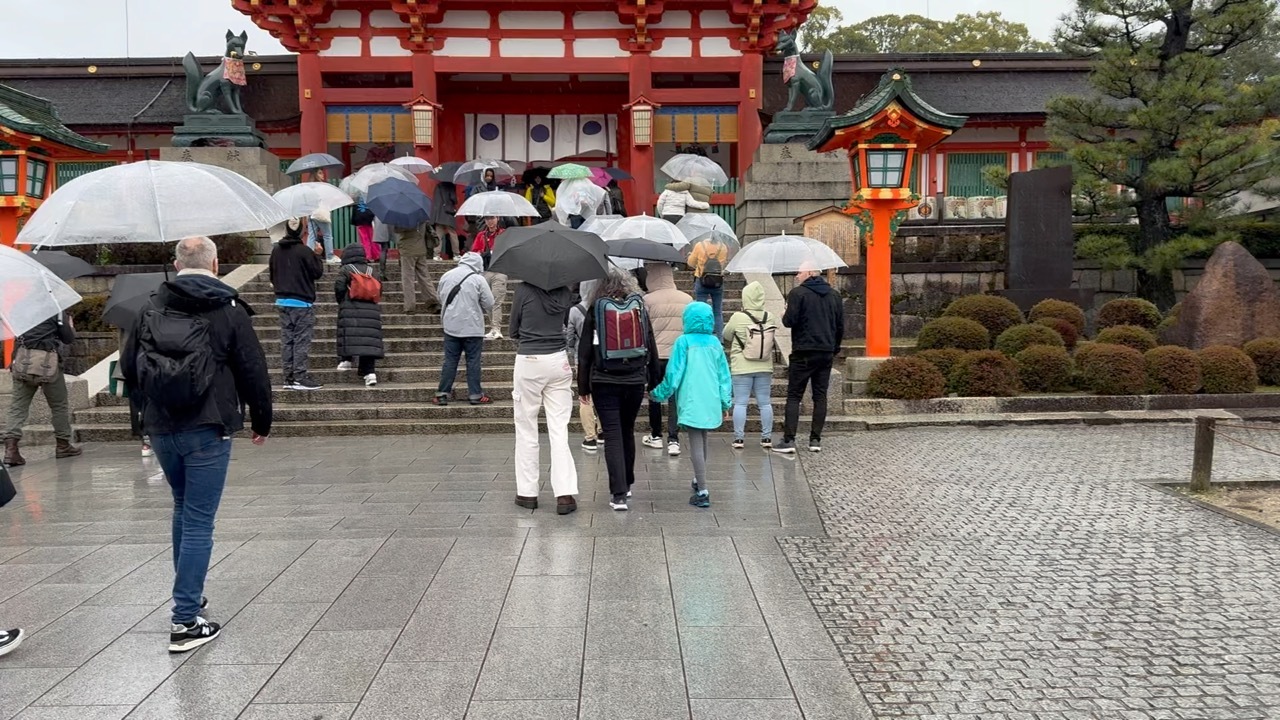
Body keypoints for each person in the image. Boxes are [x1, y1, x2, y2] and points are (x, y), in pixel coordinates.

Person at [121, 236, 273, 653]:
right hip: (208, 425)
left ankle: (190, 595)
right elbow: (252, 369)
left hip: (162, 426)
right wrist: (261, 420)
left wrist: (146, 416)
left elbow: (129, 367)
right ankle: (185, 619)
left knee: (182, 507)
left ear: (176, 264)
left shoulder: (149, 307)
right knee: (199, 519)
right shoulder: (228, 308)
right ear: (216, 264)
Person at [577, 269, 659, 512]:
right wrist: (653, 380)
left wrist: (583, 386)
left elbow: (584, 352)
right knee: (627, 430)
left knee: (612, 433)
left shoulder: (596, 308)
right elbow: (650, 343)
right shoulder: (638, 307)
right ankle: (628, 481)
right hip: (634, 379)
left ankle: (618, 493)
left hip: (604, 380)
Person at [651, 301, 732, 508]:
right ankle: (698, 478)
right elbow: (724, 376)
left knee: (695, 440)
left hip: (691, 398)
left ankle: (703, 490)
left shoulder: (683, 342)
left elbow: (673, 374)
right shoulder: (715, 343)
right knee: (703, 438)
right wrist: (725, 403)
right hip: (711, 398)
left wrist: (658, 394)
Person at [509, 279, 578, 515]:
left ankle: (527, 492)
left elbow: (513, 330)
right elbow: (565, 323)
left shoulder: (523, 289)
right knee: (559, 429)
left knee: (526, 426)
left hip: (529, 359)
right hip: (558, 360)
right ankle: (565, 494)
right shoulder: (564, 290)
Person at [775, 263, 844, 454]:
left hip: (803, 351)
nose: (797, 275)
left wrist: (783, 313)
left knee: (794, 396)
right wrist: (834, 348)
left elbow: (789, 321)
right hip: (826, 351)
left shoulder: (797, 294)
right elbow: (840, 326)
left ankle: (789, 440)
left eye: (800, 271)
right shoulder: (834, 295)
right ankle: (815, 440)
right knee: (820, 396)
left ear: (810, 273)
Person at [3, 310, 82, 466]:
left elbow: (16, 335)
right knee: (58, 406)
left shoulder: (20, 309)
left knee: (18, 407)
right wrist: (70, 326)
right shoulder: (55, 310)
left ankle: (11, 450)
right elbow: (68, 338)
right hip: (49, 364)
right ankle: (63, 445)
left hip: (24, 362)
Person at [640, 262, 691, 457]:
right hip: (678, 356)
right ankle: (673, 439)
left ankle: (655, 435)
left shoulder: (647, 300)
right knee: (674, 397)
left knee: (654, 394)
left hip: (655, 355)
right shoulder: (686, 299)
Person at [269, 218, 325, 390]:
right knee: (301, 340)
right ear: (301, 232)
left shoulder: (276, 250)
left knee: (287, 340)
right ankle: (300, 376)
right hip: (301, 302)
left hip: (282, 300)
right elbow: (317, 273)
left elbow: (272, 273)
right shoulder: (305, 251)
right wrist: (317, 255)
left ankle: (288, 377)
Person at [723, 281, 778, 449]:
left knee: (740, 403)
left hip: (742, 366)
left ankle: (739, 439)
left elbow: (726, 335)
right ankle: (766, 438)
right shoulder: (769, 316)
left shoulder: (738, 317)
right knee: (765, 403)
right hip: (764, 365)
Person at [435, 252, 494, 405]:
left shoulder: (446, 276)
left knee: (450, 361)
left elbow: (440, 297)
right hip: (473, 327)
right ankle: (475, 394)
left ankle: (442, 393)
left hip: (451, 325)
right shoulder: (478, 279)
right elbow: (489, 303)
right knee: (473, 361)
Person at [334, 244, 384, 387]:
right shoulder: (372, 270)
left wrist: (343, 301)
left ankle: (346, 360)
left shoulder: (346, 269)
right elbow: (379, 289)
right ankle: (370, 373)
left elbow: (339, 287)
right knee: (368, 340)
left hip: (350, 307)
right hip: (371, 310)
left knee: (348, 333)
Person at [565, 279, 602, 451]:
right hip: (601, 357)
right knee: (601, 394)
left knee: (585, 397)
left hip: (582, 358)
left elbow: (569, 337)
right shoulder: (603, 307)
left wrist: (571, 352)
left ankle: (590, 437)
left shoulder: (575, 310)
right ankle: (602, 430)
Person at [471, 216, 508, 340]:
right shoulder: (481, 235)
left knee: (497, 300)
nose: (490, 221)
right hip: (486, 270)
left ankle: (496, 328)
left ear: (497, 219)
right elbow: (474, 252)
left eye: (492, 218)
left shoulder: (503, 234)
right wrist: (483, 253)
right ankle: (493, 327)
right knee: (487, 301)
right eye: (487, 219)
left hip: (500, 270)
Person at [686, 235, 731, 336]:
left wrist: (690, 256)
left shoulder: (699, 245)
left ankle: (702, 335)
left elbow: (691, 263)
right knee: (717, 312)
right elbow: (723, 263)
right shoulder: (723, 247)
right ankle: (719, 338)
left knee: (701, 310)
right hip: (717, 281)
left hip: (702, 280)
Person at [396, 221, 440, 314]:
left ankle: (410, 306)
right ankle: (433, 301)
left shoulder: (403, 219)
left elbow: (397, 231)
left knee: (408, 279)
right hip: (421, 249)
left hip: (407, 250)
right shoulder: (422, 217)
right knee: (424, 277)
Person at [430, 181, 460, 260]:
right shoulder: (450, 186)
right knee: (453, 234)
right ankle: (456, 254)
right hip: (448, 214)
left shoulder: (438, 186)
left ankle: (436, 254)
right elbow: (453, 198)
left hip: (439, 214)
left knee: (438, 235)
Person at [351, 201, 379, 265]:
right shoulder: (372, 197)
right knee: (373, 238)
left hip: (359, 218)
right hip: (370, 218)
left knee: (364, 240)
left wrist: (354, 221)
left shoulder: (356, 198)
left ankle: (367, 256)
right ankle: (376, 255)